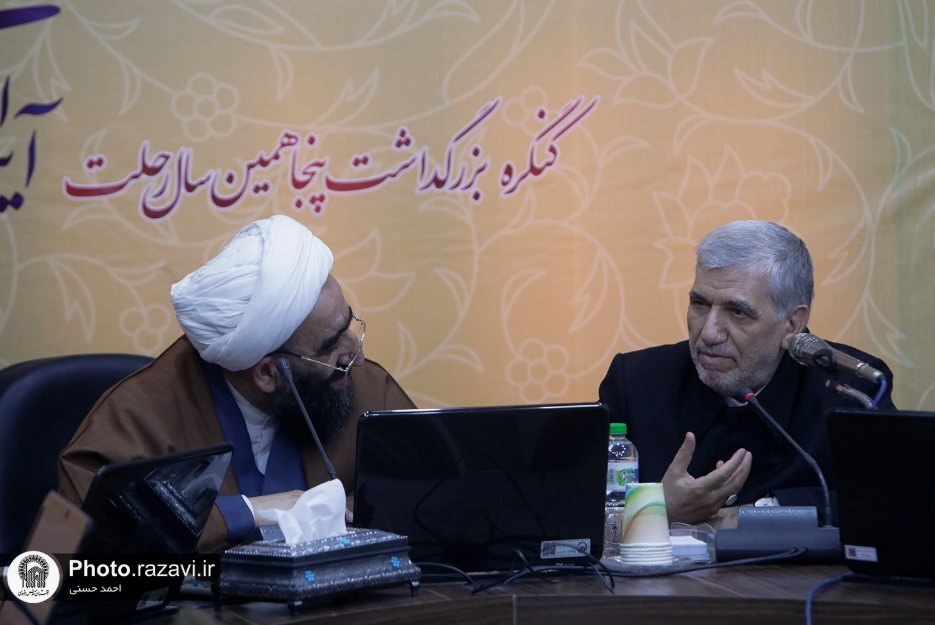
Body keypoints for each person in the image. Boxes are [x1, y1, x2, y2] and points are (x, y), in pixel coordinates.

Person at [58, 215, 415, 551]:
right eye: (331, 345)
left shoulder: (364, 387)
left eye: (348, 324)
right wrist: (244, 512)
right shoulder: (138, 417)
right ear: (267, 374)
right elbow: (78, 548)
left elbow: (426, 490)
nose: (356, 356)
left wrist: (344, 512)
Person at [599, 220, 894, 527]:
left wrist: (755, 515)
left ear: (792, 324)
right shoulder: (636, 382)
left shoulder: (850, 387)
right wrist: (658, 509)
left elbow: (889, 501)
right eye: (699, 304)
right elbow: (578, 507)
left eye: (737, 311)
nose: (709, 333)